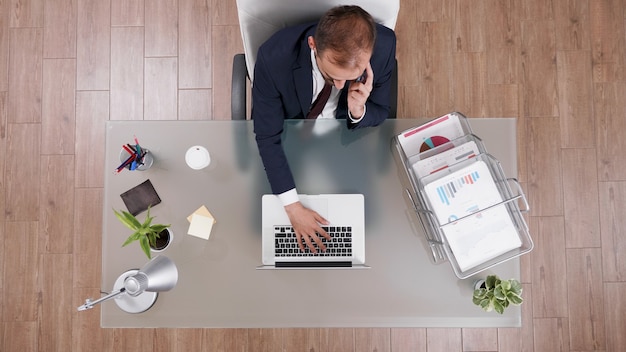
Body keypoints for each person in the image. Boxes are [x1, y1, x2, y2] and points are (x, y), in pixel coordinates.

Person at [252, 5, 396, 253]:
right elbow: (267, 135)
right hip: (291, 135)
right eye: (331, 75)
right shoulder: (274, 57)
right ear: (312, 45)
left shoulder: (383, 47)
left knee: (366, 224)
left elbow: (382, 110)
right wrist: (293, 208)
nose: (341, 84)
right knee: (259, 226)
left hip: (345, 138)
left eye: (350, 76)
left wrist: (358, 109)